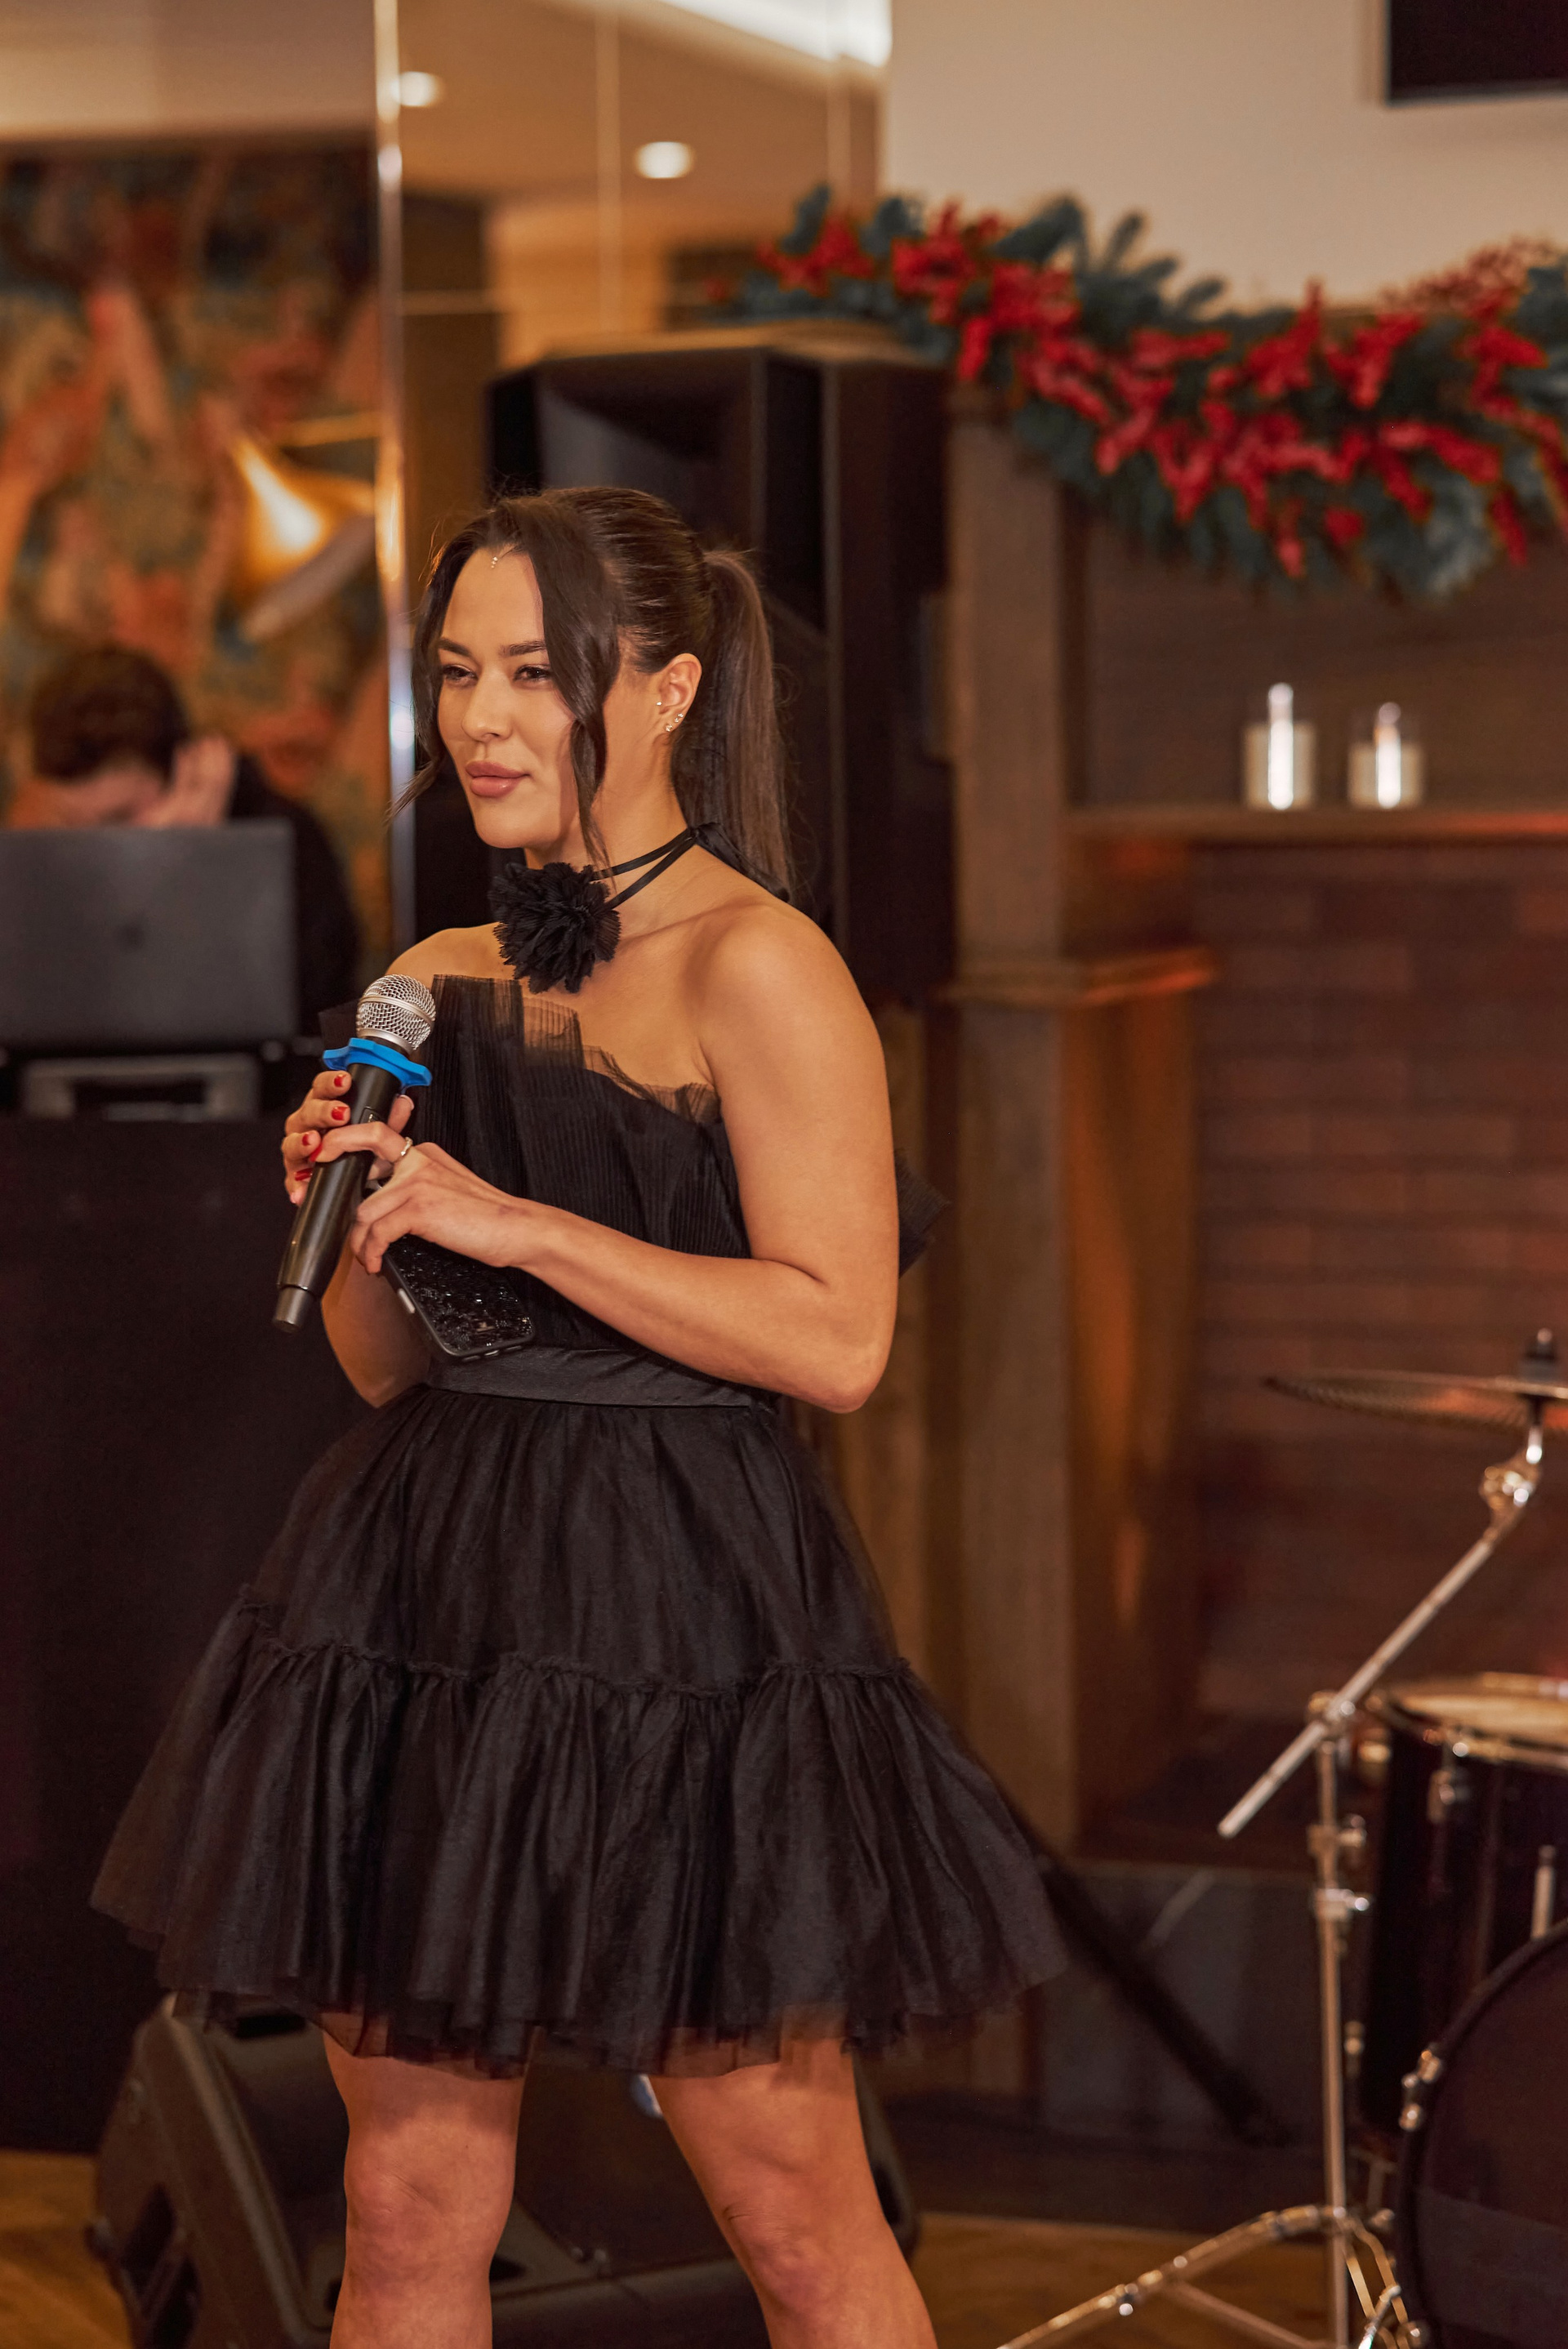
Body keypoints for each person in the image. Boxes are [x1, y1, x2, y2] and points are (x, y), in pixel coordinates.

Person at [93, 488, 1062, 2349]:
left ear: (671, 688)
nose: (481, 718)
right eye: (459, 671)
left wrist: (517, 1219)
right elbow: (390, 1368)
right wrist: (361, 1216)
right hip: (427, 1593)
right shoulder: (438, 978)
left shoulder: (760, 962)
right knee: (403, 2204)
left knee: (794, 2214)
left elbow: (838, 1337)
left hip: (682, 1601)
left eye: (537, 673)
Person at [8, 645, 359, 1027]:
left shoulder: (290, 842)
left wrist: (186, 875)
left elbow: (313, 1014)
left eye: (118, 818)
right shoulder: (45, 857)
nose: (91, 846)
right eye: (72, 822)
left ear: (183, 773)